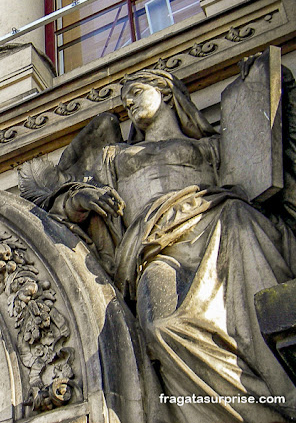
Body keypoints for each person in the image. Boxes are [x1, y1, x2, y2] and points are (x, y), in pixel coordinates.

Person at [20, 69, 296, 422]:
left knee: (248, 281)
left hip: (221, 226)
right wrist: (80, 197)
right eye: (124, 100)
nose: (129, 103)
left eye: (136, 92)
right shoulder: (113, 156)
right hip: (155, 249)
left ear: (165, 91)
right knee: (162, 327)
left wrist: (265, 83)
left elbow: (267, 168)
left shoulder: (211, 146)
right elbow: (55, 207)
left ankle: (281, 391)